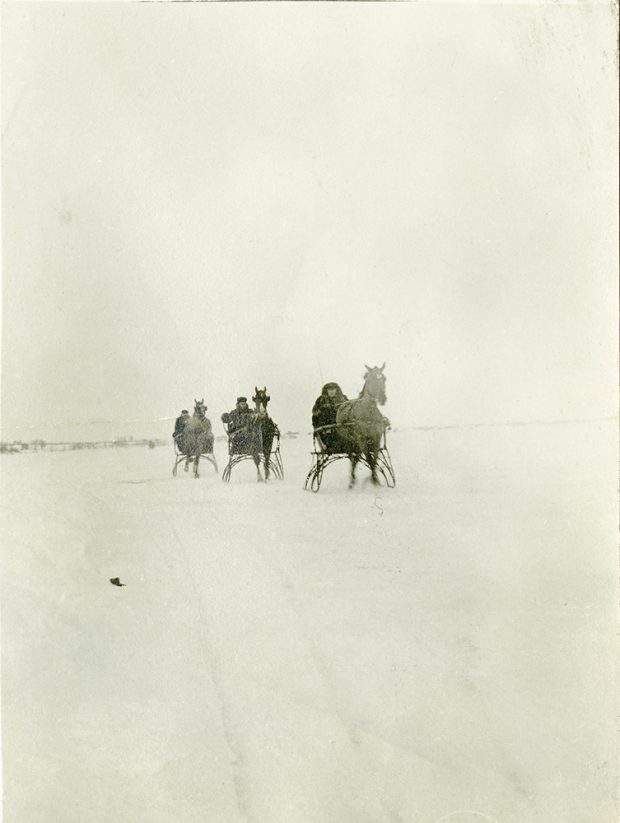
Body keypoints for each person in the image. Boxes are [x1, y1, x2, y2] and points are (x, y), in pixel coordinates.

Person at [312, 383, 350, 453]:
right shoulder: (321, 400)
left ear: (336, 390)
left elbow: (349, 412)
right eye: (329, 389)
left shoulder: (344, 399)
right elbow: (315, 418)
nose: (331, 391)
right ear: (326, 391)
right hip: (327, 432)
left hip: (343, 429)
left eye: (333, 389)